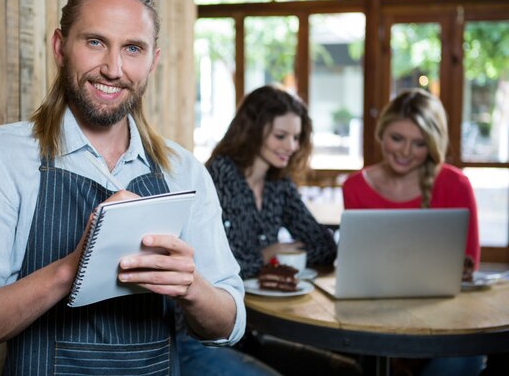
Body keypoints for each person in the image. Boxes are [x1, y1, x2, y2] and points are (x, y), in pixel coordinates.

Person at [0, 0, 245, 375]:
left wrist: (191, 287)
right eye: (95, 42)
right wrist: (71, 270)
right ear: (61, 47)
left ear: (153, 61)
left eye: (133, 48)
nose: (113, 68)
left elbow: (231, 323)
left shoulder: (184, 172)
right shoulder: (4, 158)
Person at [178, 85, 355, 376]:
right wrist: (267, 254)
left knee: (346, 371)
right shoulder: (220, 174)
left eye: (296, 137)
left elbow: (325, 248)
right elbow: (213, 268)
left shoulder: (278, 184)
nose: (292, 146)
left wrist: (283, 254)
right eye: (281, 136)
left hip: (252, 332)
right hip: (202, 337)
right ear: (253, 131)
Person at [342, 88, 485, 376]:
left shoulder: (456, 184)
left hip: (445, 319)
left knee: (463, 359)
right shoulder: (355, 187)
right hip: (373, 316)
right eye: (397, 138)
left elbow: (469, 262)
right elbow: (359, 267)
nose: (406, 152)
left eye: (419, 143)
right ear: (381, 133)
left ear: (433, 144)